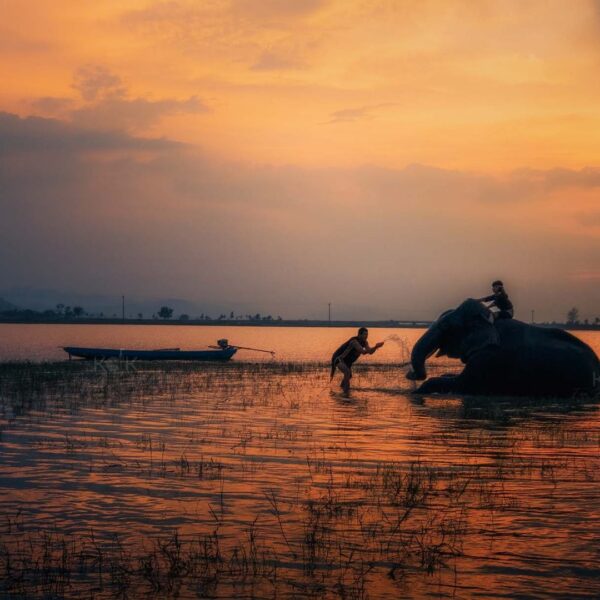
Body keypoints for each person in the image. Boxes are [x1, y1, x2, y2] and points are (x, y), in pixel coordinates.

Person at [330, 327, 384, 394]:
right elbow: (363, 352)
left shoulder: (365, 342)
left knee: (349, 376)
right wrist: (375, 347)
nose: (366, 336)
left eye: (367, 335)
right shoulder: (354, 342)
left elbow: (370, 352)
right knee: (347, 372)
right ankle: (346, 393)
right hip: (338, 358)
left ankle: (342, 389)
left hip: (347, 362)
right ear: (359, 335)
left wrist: (376, 347)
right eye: (364, 334)